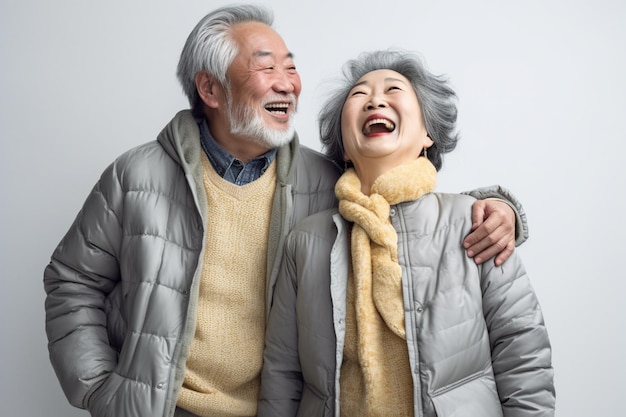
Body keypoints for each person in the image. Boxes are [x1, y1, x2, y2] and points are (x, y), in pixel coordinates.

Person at [43, 5, 525, 417]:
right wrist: (100, 390)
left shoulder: (326, 181)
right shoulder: (135, 176)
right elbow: (71, 281)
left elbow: (404, 199)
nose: (288, 84)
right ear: (211, 90)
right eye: (266, 67)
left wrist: (502, 208)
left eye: (290, 67)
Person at [258, 49, 554, 417]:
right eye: (359, 94)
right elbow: (283, 372)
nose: (375, 100)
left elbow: (522, 352)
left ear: (428, 134)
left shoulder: (477, 222)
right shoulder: (305, 242)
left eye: (393, 89)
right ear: (344, 148)